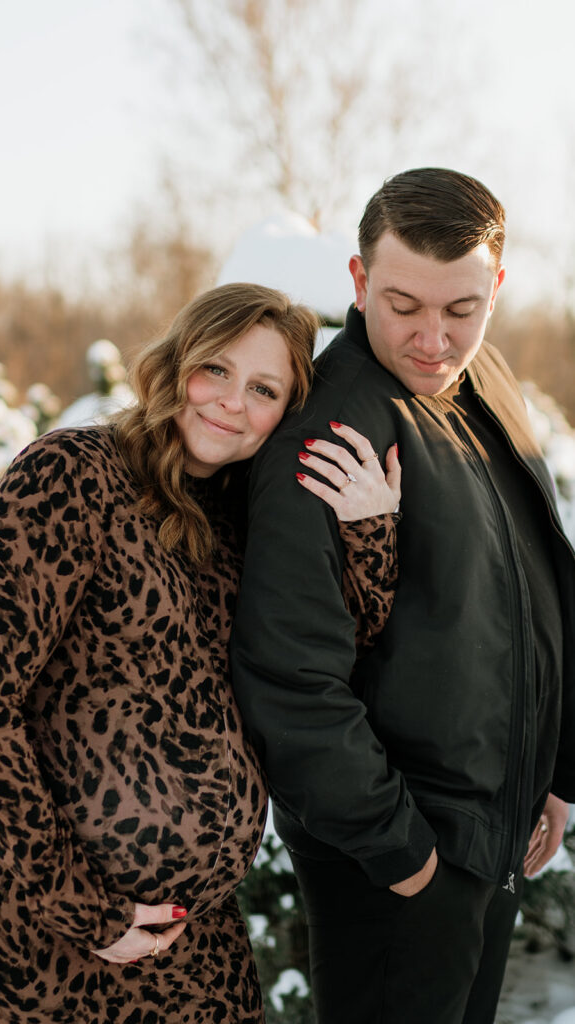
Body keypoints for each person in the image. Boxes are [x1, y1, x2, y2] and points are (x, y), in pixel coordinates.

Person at [0, 282, 402, 1024]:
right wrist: (85, 906)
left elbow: (336, 652)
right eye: (217, 369)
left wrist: (368, 527)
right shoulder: (72, 475)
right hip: (14, 926)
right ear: (177, 362)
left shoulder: (246, 527)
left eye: (264, 388)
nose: (232, 401)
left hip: (182, 940)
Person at [230, 169, 575, 1024]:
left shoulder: (484, 383)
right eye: (403, 305)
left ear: (494, 286)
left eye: (460, 309)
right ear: (357, 281)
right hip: (398, 859)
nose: (432, 338)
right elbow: (287, 671)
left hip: (490, 838)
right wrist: (401, 852)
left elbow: (540, 583)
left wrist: (556, 769)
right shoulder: (331, 427)